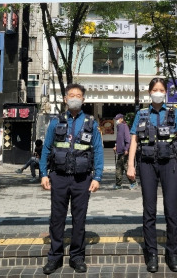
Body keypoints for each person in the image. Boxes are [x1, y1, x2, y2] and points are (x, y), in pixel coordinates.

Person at [39, 84, 104, 275]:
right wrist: (43, 173)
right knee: (57, 219)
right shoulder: (55, 122)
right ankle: (55, 257)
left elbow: (98, 150)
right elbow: (47, 149)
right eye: (71, 95)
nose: (75, 98)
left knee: (79, 220)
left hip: (82, 179)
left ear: (83, 100)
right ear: (65, 99)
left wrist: (98, 176)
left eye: (78, 95)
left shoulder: (91, 123)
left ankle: (77, 257)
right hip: (58, 177)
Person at [126, 77, 177, 273]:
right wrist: (130, 165)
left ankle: (173, 254)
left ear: (165, 92)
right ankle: (151, 254)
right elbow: (134, 141)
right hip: (146, 164)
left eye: (161, 89)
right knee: (149, 210)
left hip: (170, 163)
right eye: (155, 89)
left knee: (171, 210)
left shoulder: (175, 113)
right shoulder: (141, 114)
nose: (158, 92)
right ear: (149, 92)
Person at [113, 113, 137, 190]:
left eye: (118, 119)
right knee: (119, 168)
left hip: (124, 151)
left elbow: (127, 139)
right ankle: (118, 184)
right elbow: (118, 139)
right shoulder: (119, 127)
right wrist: (116, 146)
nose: (116, 120)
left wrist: (126, 148)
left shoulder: (124, 126)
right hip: (120, 151)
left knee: (126, 167)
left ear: (121, 119)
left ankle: (133, 182)